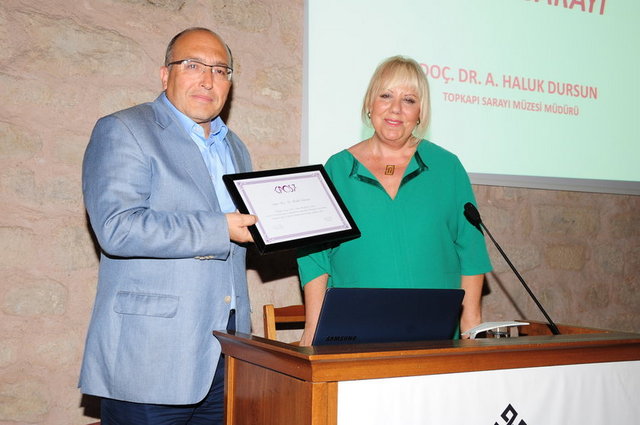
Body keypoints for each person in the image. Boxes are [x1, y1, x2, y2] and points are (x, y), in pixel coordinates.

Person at [79, 27, 256, 424]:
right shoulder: (125, 129)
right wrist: (220, 228)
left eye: (220, 70)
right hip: (150, 356)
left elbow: (238, 235)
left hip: (227, 351)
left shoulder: (235, 146)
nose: (208, 80)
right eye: (193, 65)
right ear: (165, 74)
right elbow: (117, 228)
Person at [297, 56, 492, 346]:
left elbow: (471, 247)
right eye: (386, 95)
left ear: (420, 112)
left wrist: (471, 322)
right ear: (369, 103)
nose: (396, 108)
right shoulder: (337, 169)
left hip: (434, 331)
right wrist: (313, 327)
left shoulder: (447, 166)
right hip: (354, 329)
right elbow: (315, 255)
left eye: (409, 100)